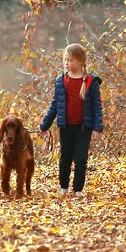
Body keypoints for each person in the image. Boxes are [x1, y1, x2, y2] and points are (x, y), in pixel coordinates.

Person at [39, 43, 103, 197]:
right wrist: (45, 124)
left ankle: (78, 189)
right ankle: (63, 186)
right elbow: (55, 105)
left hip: (83, 127)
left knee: (81, 158)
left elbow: (97, 106)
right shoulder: (61, 81)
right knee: (65, 157)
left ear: (81, 62)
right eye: (65, 60)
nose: (67, 63)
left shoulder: (90, 82)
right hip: (66, 127)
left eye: (70, 60)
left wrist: (97, 128)